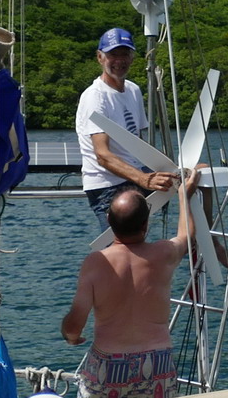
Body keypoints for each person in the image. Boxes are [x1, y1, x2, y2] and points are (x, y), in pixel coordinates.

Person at [60, 169, 201, 398]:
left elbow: (75, 324)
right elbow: (186, 236)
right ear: (145, 224)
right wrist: (185, 195)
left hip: (109, 364)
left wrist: (71, 337)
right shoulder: (162, 254)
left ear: (109, 220)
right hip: (156, 364)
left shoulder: (96, 262)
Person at [76, 27, 178, 226]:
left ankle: (200, 243)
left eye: (125, 54)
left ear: (132, 58)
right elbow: (102, 155)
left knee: (194, 179)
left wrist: (168, 173)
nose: (119, 61)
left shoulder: (133, 90)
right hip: (107, 186)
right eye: (113, 55)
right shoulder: (95, 97)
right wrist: (144, 179)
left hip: (134, 177)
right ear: (100, 57)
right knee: (124, 249)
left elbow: (136, 143)